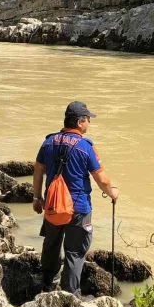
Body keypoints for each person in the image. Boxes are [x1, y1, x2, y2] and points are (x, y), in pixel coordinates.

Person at [33, 101, 119, 296]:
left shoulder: (48, 142)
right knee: (75, 252)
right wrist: (113, 192)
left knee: (51, 245)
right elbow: (102, 179)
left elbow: (38, 169)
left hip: (53, 206)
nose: (89, 123)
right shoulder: (85, 147)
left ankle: (46, 284)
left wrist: (37, 198)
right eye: (88, 119)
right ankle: (70, 295)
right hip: (78, 209)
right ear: (80, 122)